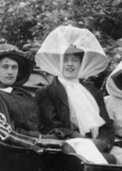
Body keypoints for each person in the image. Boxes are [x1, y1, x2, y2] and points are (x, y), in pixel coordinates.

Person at [34, 25, 116, 162]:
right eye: (65, 59)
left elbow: (107, 127)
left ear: (81, 63)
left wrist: (102, 143)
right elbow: (51, 126)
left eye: (75, 60)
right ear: (58, 62)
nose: (70, 64)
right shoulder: (46, 93)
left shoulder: (93, 92)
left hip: (96, 145)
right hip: (66, 147)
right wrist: (78, 138)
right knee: (105, 162)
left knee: (121, 159)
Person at [0, 44, 41, 135]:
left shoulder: (24, 94)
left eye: (14, 67)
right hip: (16, 146)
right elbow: (8, 132)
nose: (10, 72)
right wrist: (40, 136)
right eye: (5, 67)